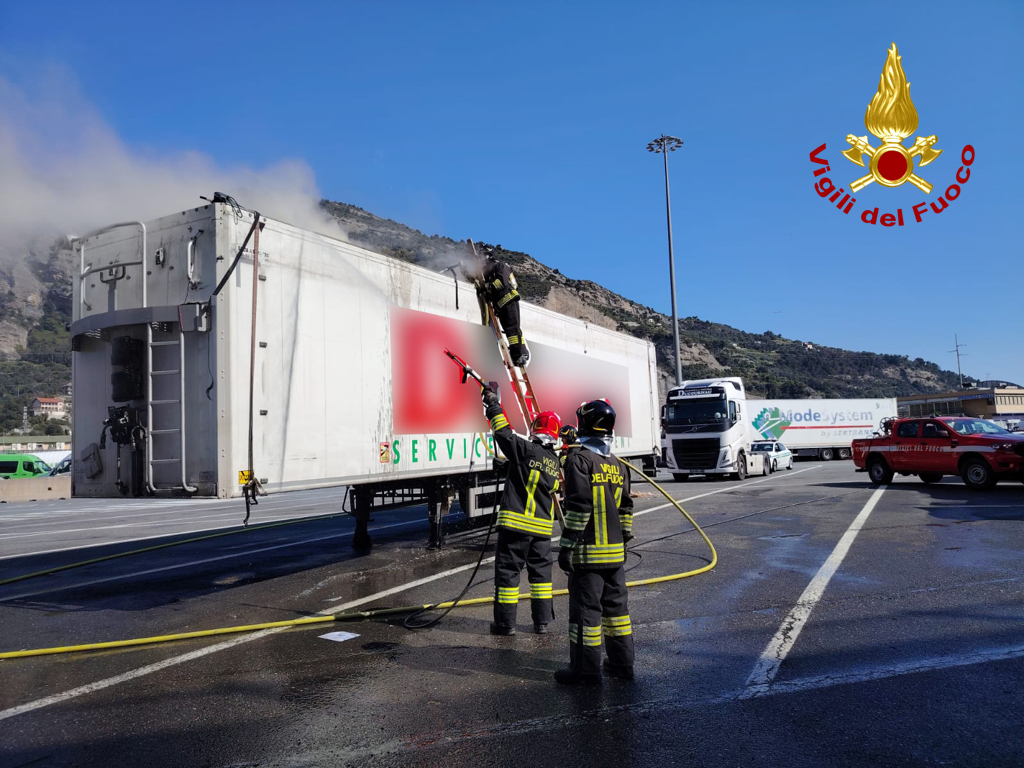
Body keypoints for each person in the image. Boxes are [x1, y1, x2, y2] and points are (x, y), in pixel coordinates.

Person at [555, 399, 634, 684]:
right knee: (617, 613)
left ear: (585, 424)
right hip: (615, 555)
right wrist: (624, 541)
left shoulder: (579, 460)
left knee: (586, 614)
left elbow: (578, 507)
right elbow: (626, 509)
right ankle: (622, 665)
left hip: (588, 555)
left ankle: (585, 671)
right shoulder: (618, 464)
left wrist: (566, 546)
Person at [482, 384, 561, 634]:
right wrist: (510, 468)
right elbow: (547, 485)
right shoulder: (554, 461)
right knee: (541, 578)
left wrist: (492, 404)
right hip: (542, 532)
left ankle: (505, 624)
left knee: (508, 574)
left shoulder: (525, 449)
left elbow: (503, 433)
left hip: (515, 527)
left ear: (535, 429)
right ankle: (542, 623)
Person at [479, 250, 529, 368]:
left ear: (490, 258)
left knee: (512, 329)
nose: (483, 263)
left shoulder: (500, 266)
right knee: (512, 329)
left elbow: (501, 282)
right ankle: (522, 352)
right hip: (503, 305)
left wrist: (488, 287)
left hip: (508, 301)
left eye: (484, 259)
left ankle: (517, 355)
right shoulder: (492, 271)